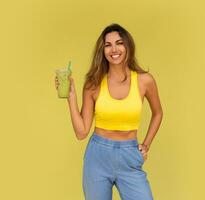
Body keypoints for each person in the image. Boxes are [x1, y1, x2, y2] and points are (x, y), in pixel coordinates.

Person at [54, 23, 163, 200]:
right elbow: (81, 132)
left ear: (127, 46)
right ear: (102, 51)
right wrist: (71, 97)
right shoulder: (93, 84)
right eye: (108, 45)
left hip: (130, 155)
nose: (114, 49)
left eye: (119, 43)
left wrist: (147, 144)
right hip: (97, 157)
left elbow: (158, 113)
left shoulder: (144, 81)